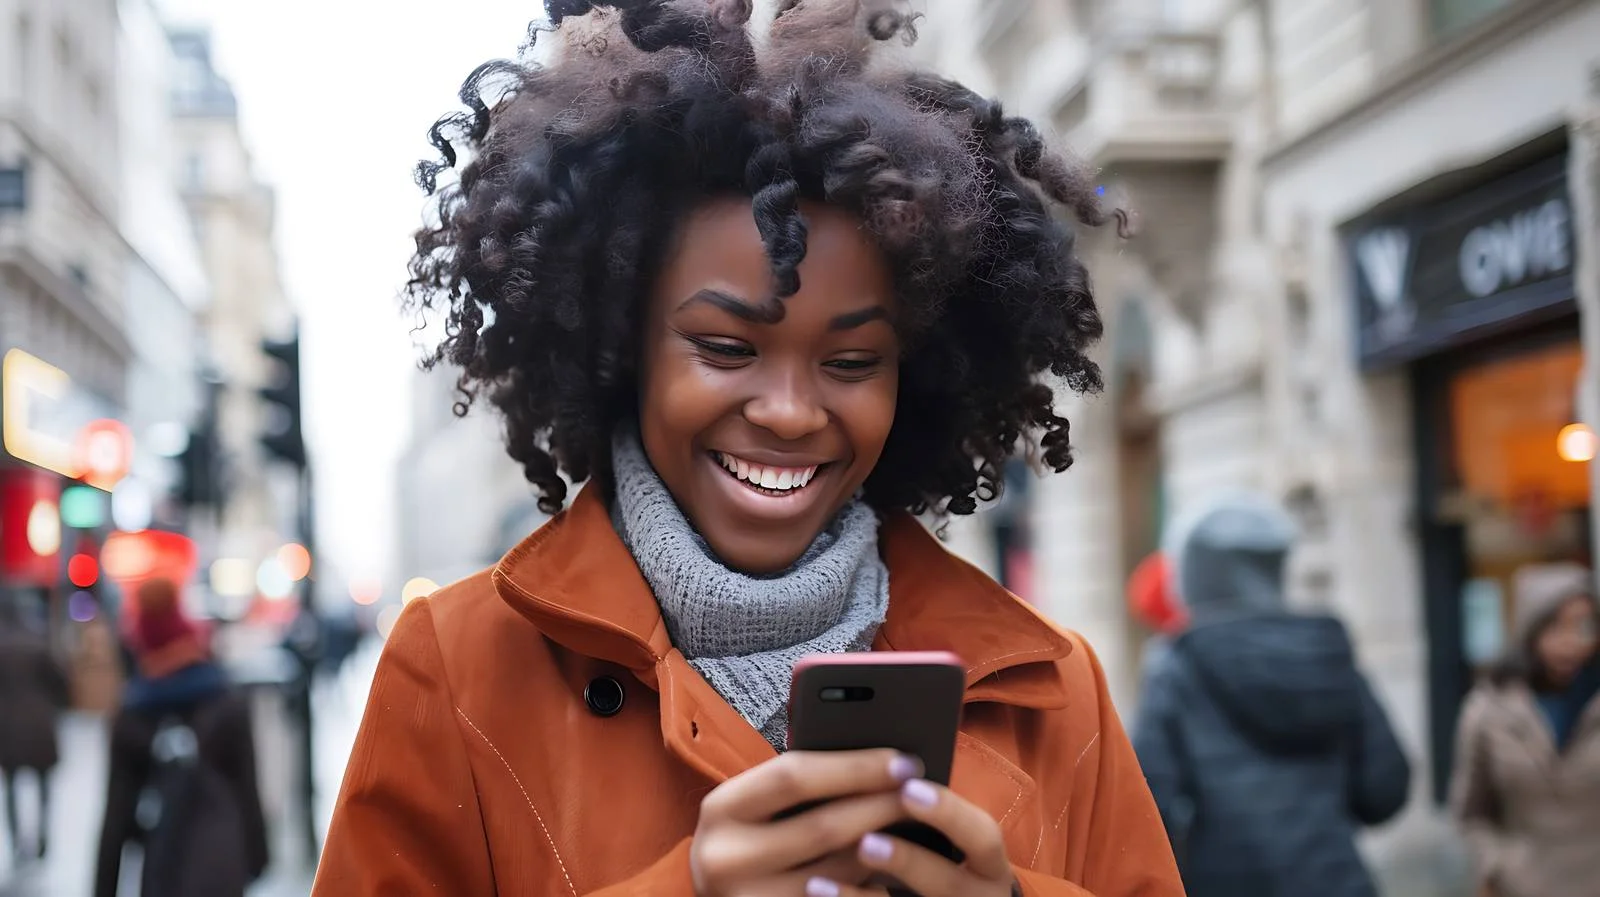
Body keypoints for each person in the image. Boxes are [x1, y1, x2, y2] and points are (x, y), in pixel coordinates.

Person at [313, 2, 1183, 895]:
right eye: (726, 348)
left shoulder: (1053, 687)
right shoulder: (457, 668)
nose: (791, 410)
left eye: (851, 360)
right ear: (624, 351)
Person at [1130, 490, 1411, 897]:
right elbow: (1384, 791)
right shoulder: (1327, 649)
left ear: (1191, 574)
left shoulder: (1177, 663)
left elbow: (1147, 809)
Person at [94, 578, 267, 897]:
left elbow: (116, 816)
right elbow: (247, 786)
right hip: (221, 860)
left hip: (164, 866)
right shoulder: (224, 697)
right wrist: (258, 856)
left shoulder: (132, 712)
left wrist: (104, 888)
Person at [1450, 564, 1600, 897]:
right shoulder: (1489, 710)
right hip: (1526, 885)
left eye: (1584, 626)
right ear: (1530, 632)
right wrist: (1496, 866)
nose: (1571, 642)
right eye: (1555, 627)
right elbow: (1471, 812)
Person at [0, 592, 69, 863]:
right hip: (40, 724)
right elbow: (61, 684)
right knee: (43, 785)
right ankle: (42, 837)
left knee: (11, 786)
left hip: (8, 726)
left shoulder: (2, 646)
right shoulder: (39, 643)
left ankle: (17, 839)